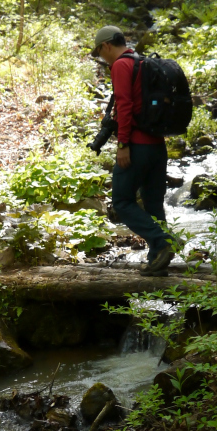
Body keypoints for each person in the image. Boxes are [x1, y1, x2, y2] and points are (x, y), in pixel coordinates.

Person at [90, 25, 173, 276]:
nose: (102, 57)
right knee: (153, 205)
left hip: (137, 147)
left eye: (100, 52)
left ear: (106, 45)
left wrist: (123, 145)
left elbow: (124, 106)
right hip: (157, 146)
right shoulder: (143, 61)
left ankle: (163, 243)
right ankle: (158, 261)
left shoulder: (121, 66)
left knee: (123, 202)